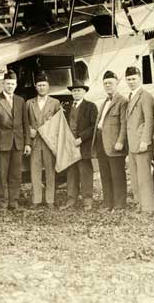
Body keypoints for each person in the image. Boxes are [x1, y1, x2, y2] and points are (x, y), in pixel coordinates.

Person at [0, 69, 31, 210]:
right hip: (1, 145)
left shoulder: (20, 101)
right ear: (3, 84)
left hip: (18, 144)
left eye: (12, 84)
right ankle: (3, 203)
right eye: (7, 83)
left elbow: (25, 123)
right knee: (2, 175)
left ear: (16, 85)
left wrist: (27, 143)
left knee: (16, 175)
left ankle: (13, 202)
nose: (10, 86)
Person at [91, 70, 128, 212]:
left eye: (110, 83)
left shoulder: (122, 101)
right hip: (102, 143)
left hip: (114, 144)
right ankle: (108, 204)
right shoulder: (105, 101)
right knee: (105, 175)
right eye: (105, 83)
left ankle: (119, 206)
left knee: (117, 176)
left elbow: (124, 124)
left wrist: (120, 141)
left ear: (117, 83)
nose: (107, 85)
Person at [60, 81, 98, 211]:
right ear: (71, 93)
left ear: (84, 92)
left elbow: (94, 127)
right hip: (70, 146)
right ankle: (71, 199)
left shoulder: (90, 106)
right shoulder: (67, 107)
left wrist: (81, 138)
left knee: (85, 172)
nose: (76, 93)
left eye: (79, 90)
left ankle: (87, 200)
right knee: (71, 173)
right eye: (74, 91)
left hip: (83, 145)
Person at [25, 72, 60, 208]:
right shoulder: (29, 103)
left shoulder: (55, 103)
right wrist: (29, 131)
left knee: (50, 171)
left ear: (48, 86)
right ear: (35, 87)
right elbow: (24, 122)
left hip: (48, 142)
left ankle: (50, 200)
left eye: (44, 85)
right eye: (39, 85)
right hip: (35, 142)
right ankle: (36, 200)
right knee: (35, 171)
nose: (41, 88)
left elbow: (59, 123)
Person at [125, 66, 154, 217]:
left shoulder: (146, 96)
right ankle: (140, 204)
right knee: (136, 177)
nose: (131, 82)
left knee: (144, 177)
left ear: (140, 78)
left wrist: (145, 140)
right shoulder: (130, 96)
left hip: (141, 144)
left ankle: (149, 207)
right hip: (132, 144)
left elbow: (149, 120)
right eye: (129, 79)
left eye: (134, 79)